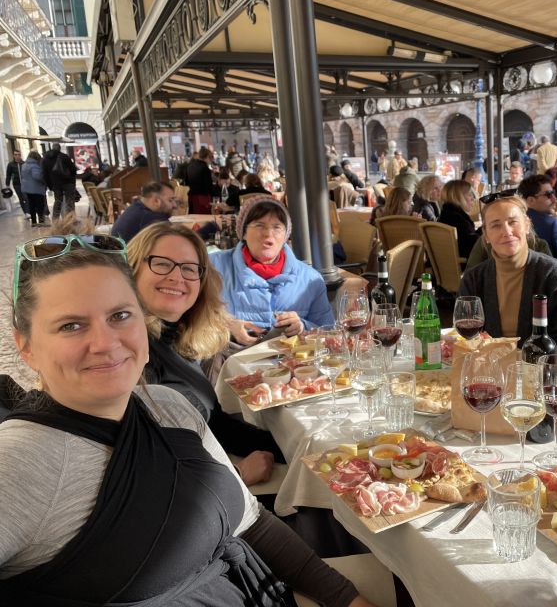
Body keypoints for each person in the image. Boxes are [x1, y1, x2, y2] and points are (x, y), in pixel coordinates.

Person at [0, 234, 369, 606]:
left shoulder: (167, 405)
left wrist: (347, 599)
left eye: (120, 315)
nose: (105, 342)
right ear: (26, 346)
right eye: (70, 326)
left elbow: (252, 522)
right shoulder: (19, 461)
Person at [126, 223, 282, 487]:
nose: (178, 277)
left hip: (214, 470)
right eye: (162, 264)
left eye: (189, 268)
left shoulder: (179, 338)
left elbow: (214, 424)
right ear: (132, 270)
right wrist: (238, 474)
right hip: (205, 495)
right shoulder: (129, 354)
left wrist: (292, 448)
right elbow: (143, 474)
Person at [458, 194, 557, 363]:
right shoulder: (473, 279)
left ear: (527, 225)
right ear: (486, 235)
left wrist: (527, 366)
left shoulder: (555, 275)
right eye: (496, 225)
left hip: (541, 377)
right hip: (487, 375)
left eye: (513, 222)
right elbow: (466, 340)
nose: (506, 231)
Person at [209, 196, 335, 341]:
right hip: (233, 359)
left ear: (286, 235)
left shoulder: (310, 279)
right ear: (243, 233)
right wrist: (227, 327)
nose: (268, 234)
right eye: (259, 225)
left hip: (292, 362)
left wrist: (302, 327)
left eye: (277, 227)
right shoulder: (214, 268)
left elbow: (329, 332)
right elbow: (190, 318)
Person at [518, 174, 557, 273]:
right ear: (530, 200)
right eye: (548, 195)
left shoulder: (516, 220)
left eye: (553, 193)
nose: (554, 199)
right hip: (550, 279)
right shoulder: (551, 223)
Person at [111, 181, 177, 241]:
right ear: (156, 201)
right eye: (170, 200)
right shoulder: (151, 218)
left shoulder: (135, 208)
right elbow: (175, 241)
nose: (175, 205)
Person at [438, 179, 479, 259]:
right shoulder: (459, 221)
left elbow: (466, 239)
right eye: (470, 194)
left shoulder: (446, 215)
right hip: (468, 267)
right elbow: (473, 249)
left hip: (449, 264)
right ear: (458, 197)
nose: (473, 198)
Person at [42, 143, 78, 219]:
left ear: (52, 148)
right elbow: (73, 169)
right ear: (59, 148)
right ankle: (70, 219)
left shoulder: (46, 159)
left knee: (58, 201)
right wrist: (72, 181)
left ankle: (55, 220)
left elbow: (45, 174)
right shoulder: (64, 157)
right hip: (67, 182)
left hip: (55, 184)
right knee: (70, 201)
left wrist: (50, 186)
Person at [20, 151, 47, 228]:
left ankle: (34, 222)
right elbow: (37, 176)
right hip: (36, 189)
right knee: (39, 205)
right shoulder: (34, 166)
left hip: (27, 189)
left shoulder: (24, 165)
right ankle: (41, 221)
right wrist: (43, 180)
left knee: (31, 205)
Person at [185, 146, 216, 214]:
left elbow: (186, 182)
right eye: (210, 159)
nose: (210, 161)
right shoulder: (205, 168)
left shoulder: (190, 166)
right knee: (204, 218)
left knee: (194, 218)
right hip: (202, 198)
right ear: (207, 157)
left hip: (191, 197)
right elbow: (208, 187)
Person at [4, 150, 27, 215]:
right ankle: (26, 213)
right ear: (13, 156)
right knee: (21, 198)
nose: (17, 156)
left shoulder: (24, 163)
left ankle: (28, 212)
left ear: (20, 155)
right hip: (16, 184)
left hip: (25, 184)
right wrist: (7, 185)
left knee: (26, 197)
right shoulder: (10, 164)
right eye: (15, 155)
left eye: (18, 154)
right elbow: (8, 175)